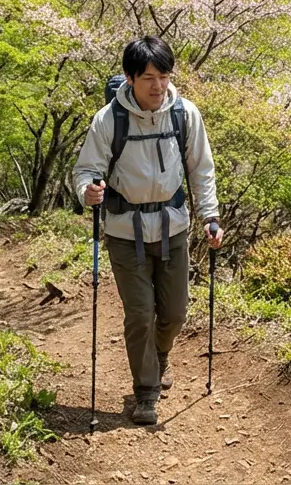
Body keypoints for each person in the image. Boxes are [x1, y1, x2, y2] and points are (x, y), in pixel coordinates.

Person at [73, 36, 223, 426]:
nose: (158, 86)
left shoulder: (184, 114)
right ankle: (146, 391)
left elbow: (201, 170)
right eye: (149, 78)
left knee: (174, 313)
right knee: (139, 313)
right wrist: (88, 190)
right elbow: (87, 169)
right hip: (126, 231)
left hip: (173, 227)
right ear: (130, 78)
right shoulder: (109, 120)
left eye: (165, 76)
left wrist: (211, 217)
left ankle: (159, 356)